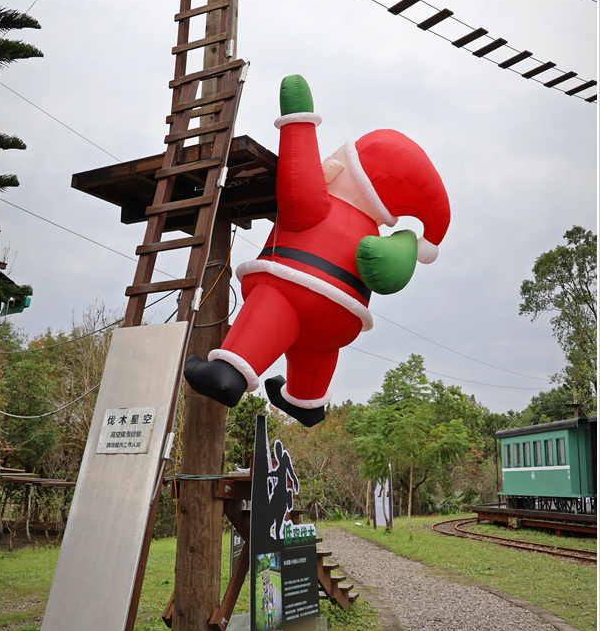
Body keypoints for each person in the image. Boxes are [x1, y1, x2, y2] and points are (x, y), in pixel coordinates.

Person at [185, 75, 450, 426]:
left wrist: (299, 122)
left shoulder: (325, 205)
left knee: (276, 304)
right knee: (314, 348)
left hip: (295, 287)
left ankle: (227, 373)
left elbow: (297, 183)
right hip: (340, 320)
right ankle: (306, 403)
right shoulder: (369, 230)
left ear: (344, 167)